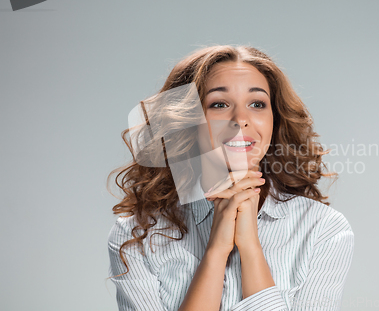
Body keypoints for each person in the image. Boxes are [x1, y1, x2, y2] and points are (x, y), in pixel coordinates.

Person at [107, 45, 355, 311]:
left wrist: (250, 246)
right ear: (187, 121)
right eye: (219, 104)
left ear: (275, 119)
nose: (240, 119)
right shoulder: (136, 235)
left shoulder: (323, 229)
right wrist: (215, 249)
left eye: (257, 104)